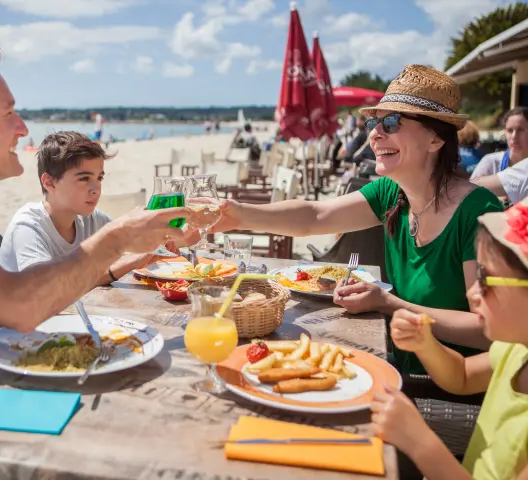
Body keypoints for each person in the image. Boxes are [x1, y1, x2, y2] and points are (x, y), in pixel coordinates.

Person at [0, 46, 188, 478]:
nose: (22, 128)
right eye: (8, 113)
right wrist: (119, 238)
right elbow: (18, 306)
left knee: (131, 413)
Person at [212, 65, 503, 375]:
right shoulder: (393, 192)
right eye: (373, 122)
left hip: (446, 384)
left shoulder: (479, 212)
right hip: (394, 362)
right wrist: (237, 214)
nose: (375, 134)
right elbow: (315, 215)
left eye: (391, 123)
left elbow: (489, 329)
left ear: (435, 139)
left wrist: (389, 304)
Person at [371, 197, 528, 479]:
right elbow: (463, 375)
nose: (471, 292)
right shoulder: (517, 350)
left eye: (486, 280)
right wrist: (426, 344)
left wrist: (420, 442)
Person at [0, 131, 177, 278]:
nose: (96, 189)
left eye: (99, 178)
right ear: (49, 183)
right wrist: (130, 261)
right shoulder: (29, 224)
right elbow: (43, 287)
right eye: (84, 178)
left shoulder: (91, 219)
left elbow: (130, 247)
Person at [470, 107, 528, 179]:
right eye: (509, 130)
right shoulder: (491, 163)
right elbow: (470, 189)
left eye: (520, 130)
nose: (514, 136)